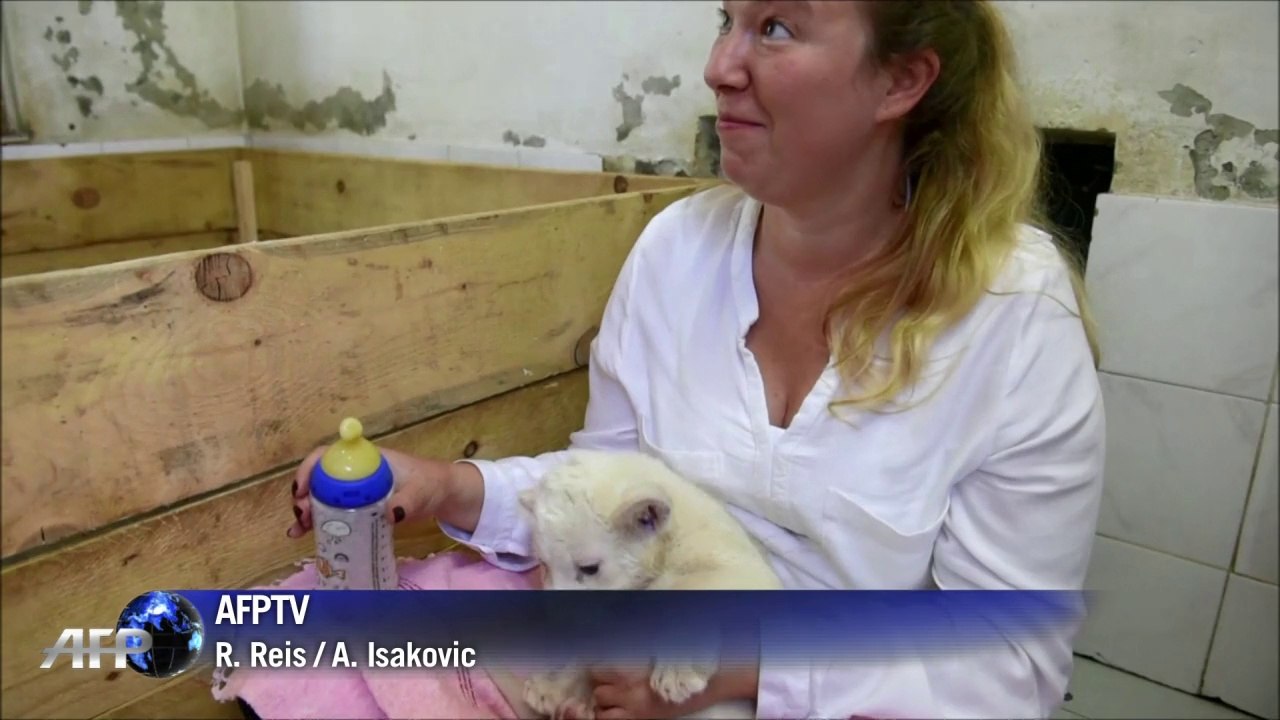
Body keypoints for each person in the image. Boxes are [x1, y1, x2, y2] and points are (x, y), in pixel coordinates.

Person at [288, 1, 1106, 718]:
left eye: (775, 27)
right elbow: (603, 490)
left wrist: (734, 669)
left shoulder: (1015, 318)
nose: (719, 67)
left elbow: (1008, 668)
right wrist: (448, 487)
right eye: (727, 21)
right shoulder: (678, 249)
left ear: (901, 81)